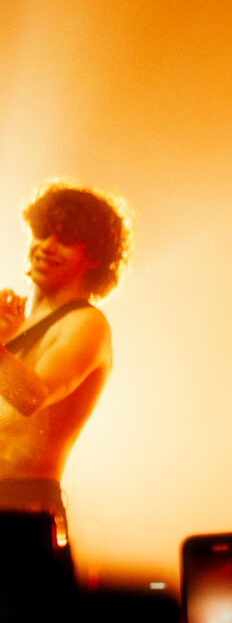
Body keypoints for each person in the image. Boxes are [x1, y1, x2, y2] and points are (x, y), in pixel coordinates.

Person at [0, 181, 127, 548]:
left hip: (23, 510)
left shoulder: (86, 324)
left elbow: (33, 396)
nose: (47, 246)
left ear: (95, 257)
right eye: (43, 233)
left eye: (66, 239)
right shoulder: (14, 327)